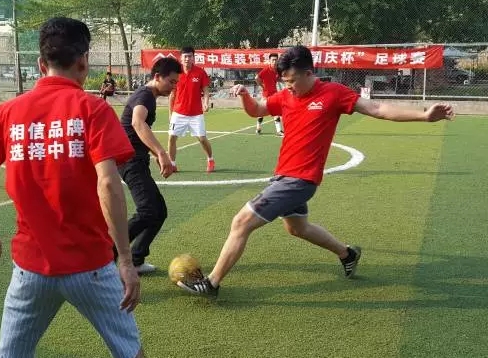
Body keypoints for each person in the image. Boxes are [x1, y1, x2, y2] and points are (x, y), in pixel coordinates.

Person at [0, 16, 156, 358]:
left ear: (41, 63)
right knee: (131, 357)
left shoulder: (7, 112)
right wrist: (125, 259)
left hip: (31, 268)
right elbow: (108, 184)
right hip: (90, 266)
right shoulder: (93, 110)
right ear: (84, 62)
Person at [177, 45, 454, 299]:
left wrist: (424, 115)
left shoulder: (333, 93)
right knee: (297, 228)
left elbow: (377, 108)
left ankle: (212, 283)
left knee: (241, 222)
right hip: (284, 175)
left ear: (309, 73)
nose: (289, 87)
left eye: (292, 81)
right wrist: (245, 96)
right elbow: (258, 109)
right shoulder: (286, 95)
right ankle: (347, 254)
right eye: (285, 82)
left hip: (300, 179)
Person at [118, 57, 182, 274]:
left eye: (176, 83)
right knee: (147, 211)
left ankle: (136, 259)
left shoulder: (149, 96)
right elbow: (137, 122)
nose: (173, 87)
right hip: (129, 160)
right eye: (171, 82)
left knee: (159, 211)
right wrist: (162, 153)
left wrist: (155, 153)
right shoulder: (145, 95)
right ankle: (107, 256)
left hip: (137, 159)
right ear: (157, 77)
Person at [168, 46, 215, 173]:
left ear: (193, 58)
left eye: (190, 56)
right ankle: (172, 164)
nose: (187, 59)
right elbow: (172, 95)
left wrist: (206, 103)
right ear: (181, 58)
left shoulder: (200, 72)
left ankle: (210, 160)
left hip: (196, 114)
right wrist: (170, 113)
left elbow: (206, 91)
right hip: (178, 113)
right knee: (172, 137)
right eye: (185, 56)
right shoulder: (176, 73)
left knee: (202, 138)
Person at [255, 53, 284, 136]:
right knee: (261, 113)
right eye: (273, 60)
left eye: (276, 60)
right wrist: (261, 85)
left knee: (276, 112)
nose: (274, 61)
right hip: (266, 95)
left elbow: (277, 79)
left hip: (274, 95)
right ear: (270, 61)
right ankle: (258, 127)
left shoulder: (277, 70)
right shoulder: (266, 70)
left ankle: (279, 130)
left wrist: (285, 81)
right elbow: (256, 78)